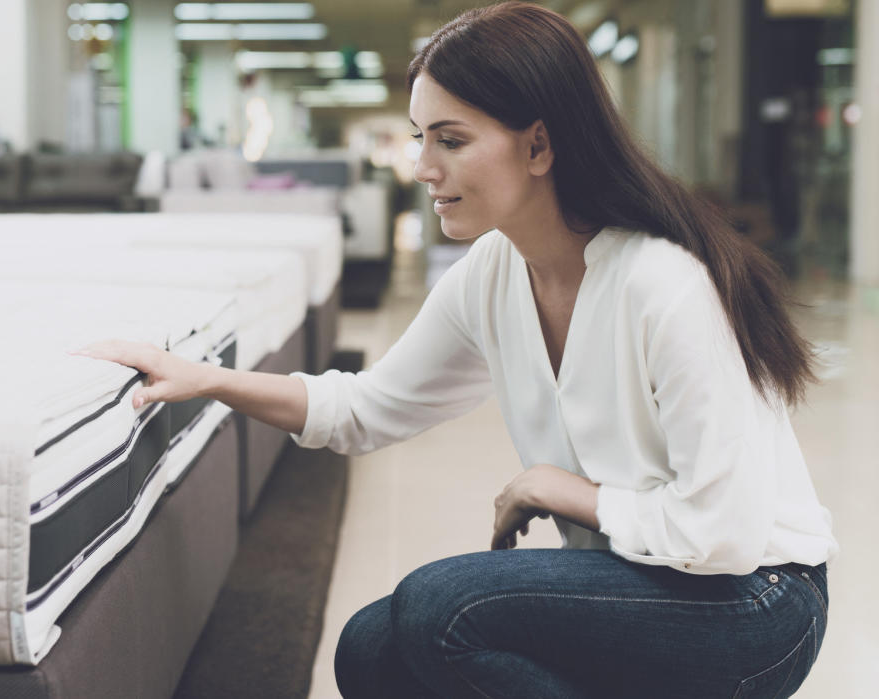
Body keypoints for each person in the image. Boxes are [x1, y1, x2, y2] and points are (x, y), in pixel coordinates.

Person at [75, 3, 837, 697]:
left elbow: (725, 535)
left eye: (450, 140)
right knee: (370, 648)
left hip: (756, 601)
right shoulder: (495, 274)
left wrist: (557, 488)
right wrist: (207, 378)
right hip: (638, 577)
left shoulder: (664, 283)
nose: (423, 169)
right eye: (420, 139)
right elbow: (365, 408)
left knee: (442, 609)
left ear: (538, 145)